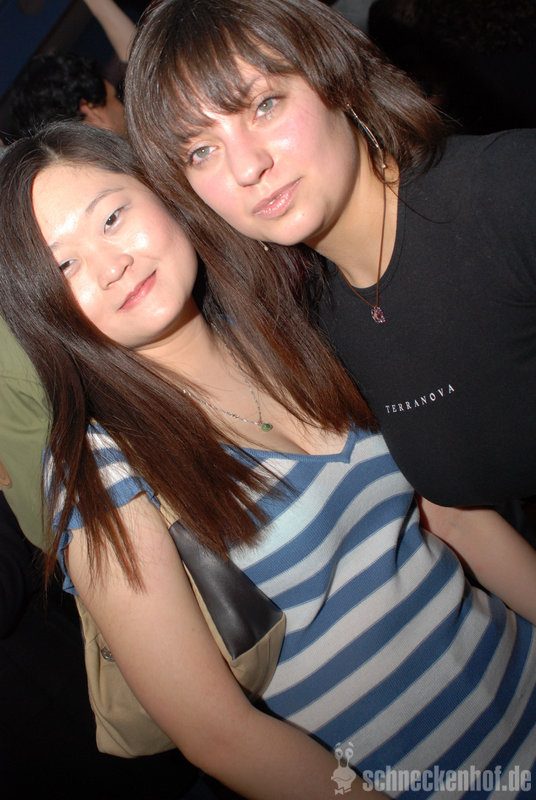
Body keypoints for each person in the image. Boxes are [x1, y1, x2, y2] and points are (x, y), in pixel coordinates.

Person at [1, 122, 536, 800]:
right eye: (64, 266)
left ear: (161, 192)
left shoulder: (284, 328)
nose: (112, 266)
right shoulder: (97, 468)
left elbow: (454, 519)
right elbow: (220, 735)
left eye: (112, 217)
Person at [123, 0, 536, 522]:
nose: (247, 167)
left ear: (335, 80)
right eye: (200, 151)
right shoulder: (311, 326)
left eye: (265, 105)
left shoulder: (510, 192)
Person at [10, 0, 134, 137]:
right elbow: (137, 59)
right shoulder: (148, 143)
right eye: (116, 97)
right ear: (91, 113)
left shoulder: (61, 147)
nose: (126, 106)